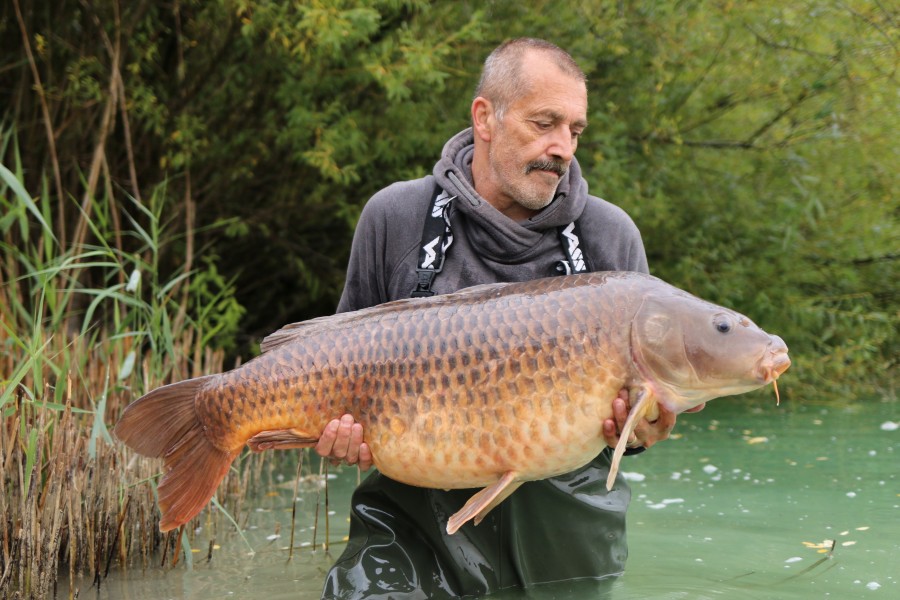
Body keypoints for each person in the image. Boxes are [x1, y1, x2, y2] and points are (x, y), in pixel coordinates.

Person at [315, 38, 701, 599]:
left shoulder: (610, 237)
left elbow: (635, 428)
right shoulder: (395, 218)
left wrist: (644, 432)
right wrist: (340, 433)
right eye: (545, 123)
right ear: (485, 118)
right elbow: (336, 372)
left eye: (575, 130)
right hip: (413, 530)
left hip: (565, 540)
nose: (562, 147)